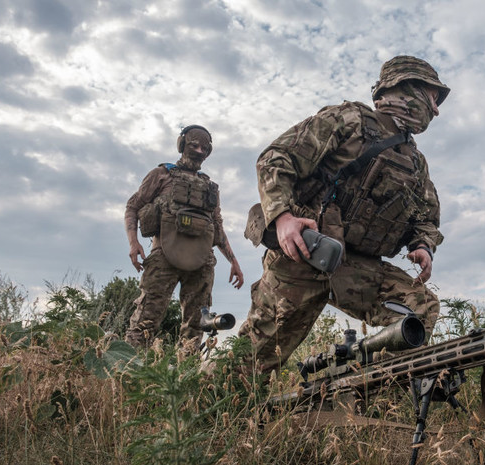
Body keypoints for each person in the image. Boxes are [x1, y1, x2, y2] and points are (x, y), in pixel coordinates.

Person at [240, 55, 449, 374]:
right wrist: (282, 218)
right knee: (255, 360)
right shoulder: (349, 120)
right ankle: (208, 416)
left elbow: (426, 217)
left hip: (356, 268)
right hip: (304, 254)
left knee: (418, 310)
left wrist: (423, 245)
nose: (436, 110)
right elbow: (276, 158)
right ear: (407, 88)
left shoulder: (416, 163)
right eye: (433, 98)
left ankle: (365, 396)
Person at [124, 125, 244, 351]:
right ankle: (128, 376)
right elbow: (132, 207)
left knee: (196, 325)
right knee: (145, 322)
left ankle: (185, 378)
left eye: (204, 148)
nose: (199, 151)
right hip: (164, 257)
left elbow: (217, 226)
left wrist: (233, 261)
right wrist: (134, 243)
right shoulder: (161, 175)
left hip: (201, 261)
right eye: (194, 145)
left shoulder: (209, 187)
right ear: (181, 145)